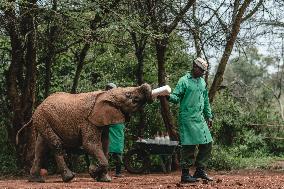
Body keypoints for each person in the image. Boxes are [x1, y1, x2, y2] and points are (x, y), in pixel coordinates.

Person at [168, 57, 214, 183]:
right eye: (201, 70)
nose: (203, 73)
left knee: (207, 143)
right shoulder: (184, 81)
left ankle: (200, 170)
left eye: (204, 71)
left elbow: (205, 101)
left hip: (199, 119)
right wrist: (166, 96)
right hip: (187, 118)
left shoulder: (202, 82)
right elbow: (176, 97)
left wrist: (209, 116)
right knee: (189, 146)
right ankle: (185, 174)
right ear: (195, 67)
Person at [105, 83, 125, 177]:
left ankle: (118, 172)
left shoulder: (119, 100)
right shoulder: (104, 100)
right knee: (106, 151)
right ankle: (104, 171)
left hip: (118, 127)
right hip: (108, 126)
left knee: (117, 152)